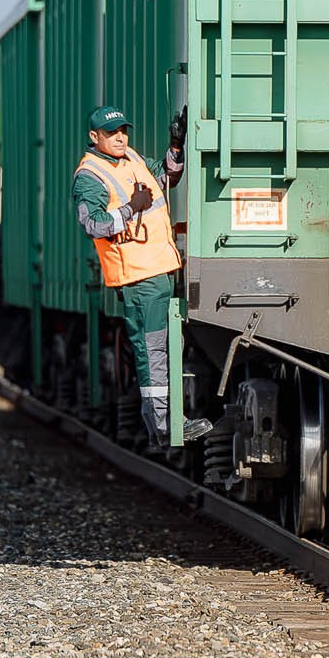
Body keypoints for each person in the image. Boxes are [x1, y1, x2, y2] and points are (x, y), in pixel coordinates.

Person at [72, 105, 211, 445]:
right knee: (152, 350)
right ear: (95, 137)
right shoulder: (89, 175)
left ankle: (166, 421)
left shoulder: (131, 158)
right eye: (111, 133)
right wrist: (130, 208)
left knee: (162, 347)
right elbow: (92, 224)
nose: (120, 137)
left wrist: (175, 145)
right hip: (137, 276)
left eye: (123, 130)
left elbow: (166, 177)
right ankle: (163, 426)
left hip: (161, 268)